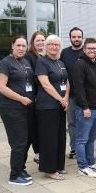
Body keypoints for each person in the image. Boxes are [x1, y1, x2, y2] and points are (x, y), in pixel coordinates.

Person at [0, 36, 34, 186]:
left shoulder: (25, 61)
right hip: (12, 109)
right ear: (12, 46)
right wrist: (21, 98)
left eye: (23, 46)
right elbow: (1, 87)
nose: (21, 48)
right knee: (19, 142)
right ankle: (14, 176)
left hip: (26, 108)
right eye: (18, 45)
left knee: (26, 141)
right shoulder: (6, 63)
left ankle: (21, 168)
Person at [36, 35, 69, 180]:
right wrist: (61, 98)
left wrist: (66, 98)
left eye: (56, 44)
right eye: (51, 44)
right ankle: (49, 169)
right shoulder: (41, 61)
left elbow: (67, 81)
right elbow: (45, 84)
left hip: (61, 105)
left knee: (60, 137)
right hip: (47, 106)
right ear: (46, 46)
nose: (54, 47)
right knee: (49, 139)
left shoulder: (60, 62)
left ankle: (59, 166)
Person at [74, 38, 96, 178]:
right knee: (82, 139)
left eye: (94, 48)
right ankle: (82, 167)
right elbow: (79, 88)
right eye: (89, 48)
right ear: (84, 49)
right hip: (86, 109)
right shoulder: (80, 64)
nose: (92, 50)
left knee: (91, 138)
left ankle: (90, 163)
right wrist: (85, 107)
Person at [60, 27, 84, 159]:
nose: (76, 39)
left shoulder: (86, 52)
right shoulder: (64, 53)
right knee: (72, 123)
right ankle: (74, 148)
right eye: (74, 37)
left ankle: (84, 147)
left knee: (85, 122)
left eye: (79, 37)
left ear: (82, 38)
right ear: (70, 38)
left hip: (86, 95)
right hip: (70, 95)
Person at [25, 31, 45, 164]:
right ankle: (37, 154)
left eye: (43, 40)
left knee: (40, 127)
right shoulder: (29, 57)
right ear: (32, 42)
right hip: (33, 97)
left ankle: (40, 152)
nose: (40, 43)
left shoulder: (41, 56)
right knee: (34, 127)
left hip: (40, 97)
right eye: (38, 40)